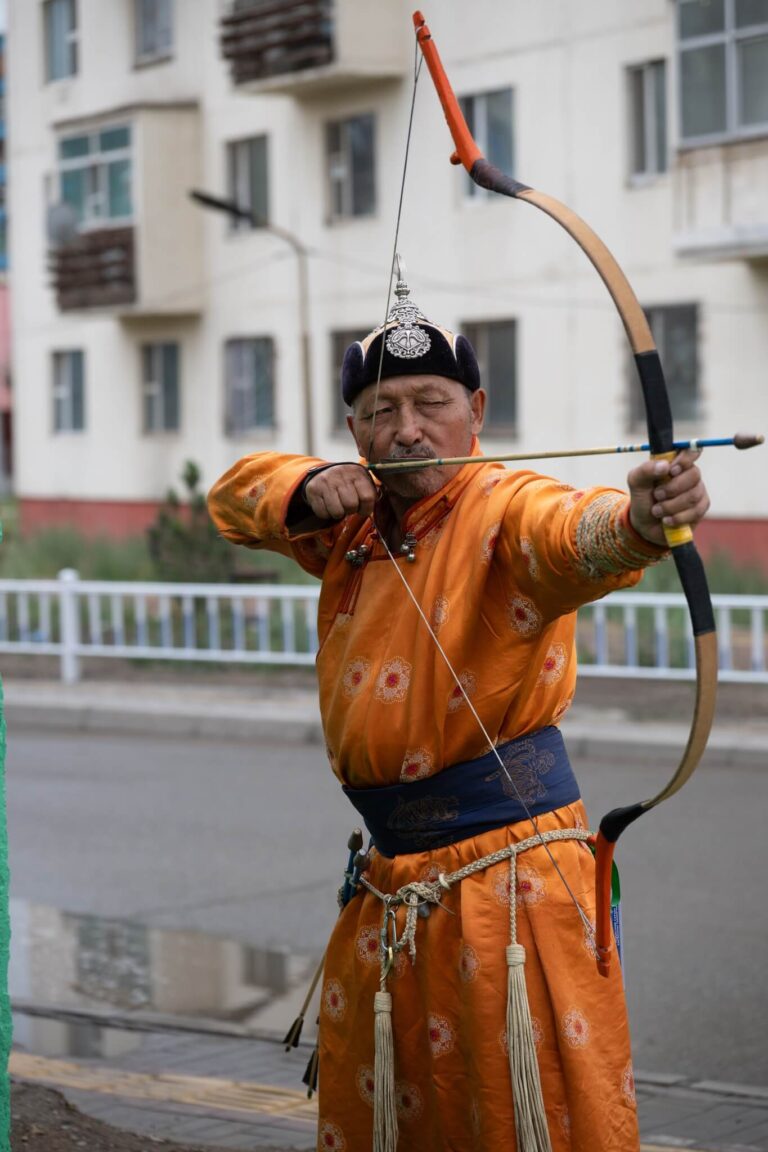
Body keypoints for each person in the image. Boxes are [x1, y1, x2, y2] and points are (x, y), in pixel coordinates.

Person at [208, 274, 710, 1152]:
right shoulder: (348, 524)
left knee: (528, 1115)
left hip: (509, 889)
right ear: (356, 433)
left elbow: (574, 533)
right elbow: (233, 495)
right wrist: (310, 486)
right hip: (389, 885)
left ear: (475, 411)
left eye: (431, 404)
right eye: (381, 410)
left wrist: (639, 516)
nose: (407, 428)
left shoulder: (505, 507)